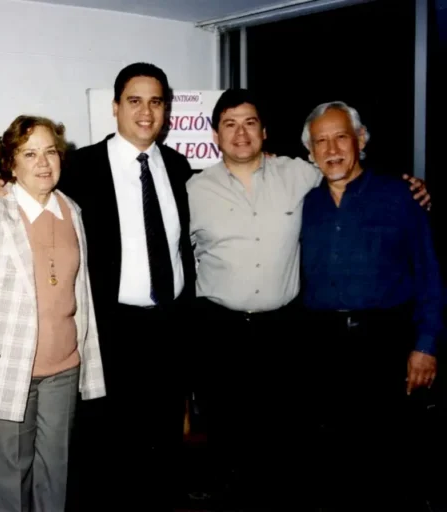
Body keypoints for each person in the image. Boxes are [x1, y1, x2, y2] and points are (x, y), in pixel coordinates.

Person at [186, 89, 430, 509]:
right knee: (230, 435)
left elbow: (351, 172)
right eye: (229, 123)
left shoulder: (298, 175)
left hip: (290, 329)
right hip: (223, 327)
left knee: (302, 440)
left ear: (264, 131)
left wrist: (413, 185)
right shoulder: (191, 189)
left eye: (249, 123)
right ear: (215, 134)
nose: (240, 133)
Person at [0, 63, 196, 510]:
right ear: (115, 107)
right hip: (110, 334)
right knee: (100, 458)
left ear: (166, 110)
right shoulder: (81, 166)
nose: (145, 111)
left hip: (166, 330)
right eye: (134, 100)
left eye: (156, 101)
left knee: (161, 450)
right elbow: (23, 189)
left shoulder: (178, 166)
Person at [300, 101, 442, 510]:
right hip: (323, 343)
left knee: (393, 461)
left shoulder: (400, 195)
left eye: (340, 136)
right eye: (320, 141)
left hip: (387, 340)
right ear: (310, 152)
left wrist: (426, 345)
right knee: (335, 463)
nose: (331, 149)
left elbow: (430, 272)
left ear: (360, 140)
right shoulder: (305, 204)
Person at [0, 115, 105, 511]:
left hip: (64, 367)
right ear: (10, 163)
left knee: (56, 476)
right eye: (30, 153)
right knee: (7, 480)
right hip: (7, 366)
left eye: (50, 152)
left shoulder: (72, 210)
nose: (43, 162)